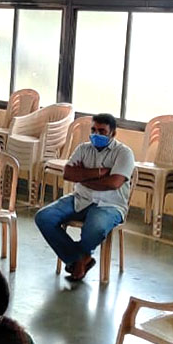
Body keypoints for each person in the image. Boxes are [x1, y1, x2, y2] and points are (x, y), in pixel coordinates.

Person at [34, 113, 135, 283]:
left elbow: (114, 183)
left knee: (95, 228)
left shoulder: (124, 153)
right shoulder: (83, 149)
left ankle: (79, 260)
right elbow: (68, 173)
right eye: (94, 130)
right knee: (43, 217)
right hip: (80, 198)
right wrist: (98, 173)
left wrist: (82, 176)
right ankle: (79, 258)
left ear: (113, 134)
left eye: (102, 131)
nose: (97, 134)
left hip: (110, 204)